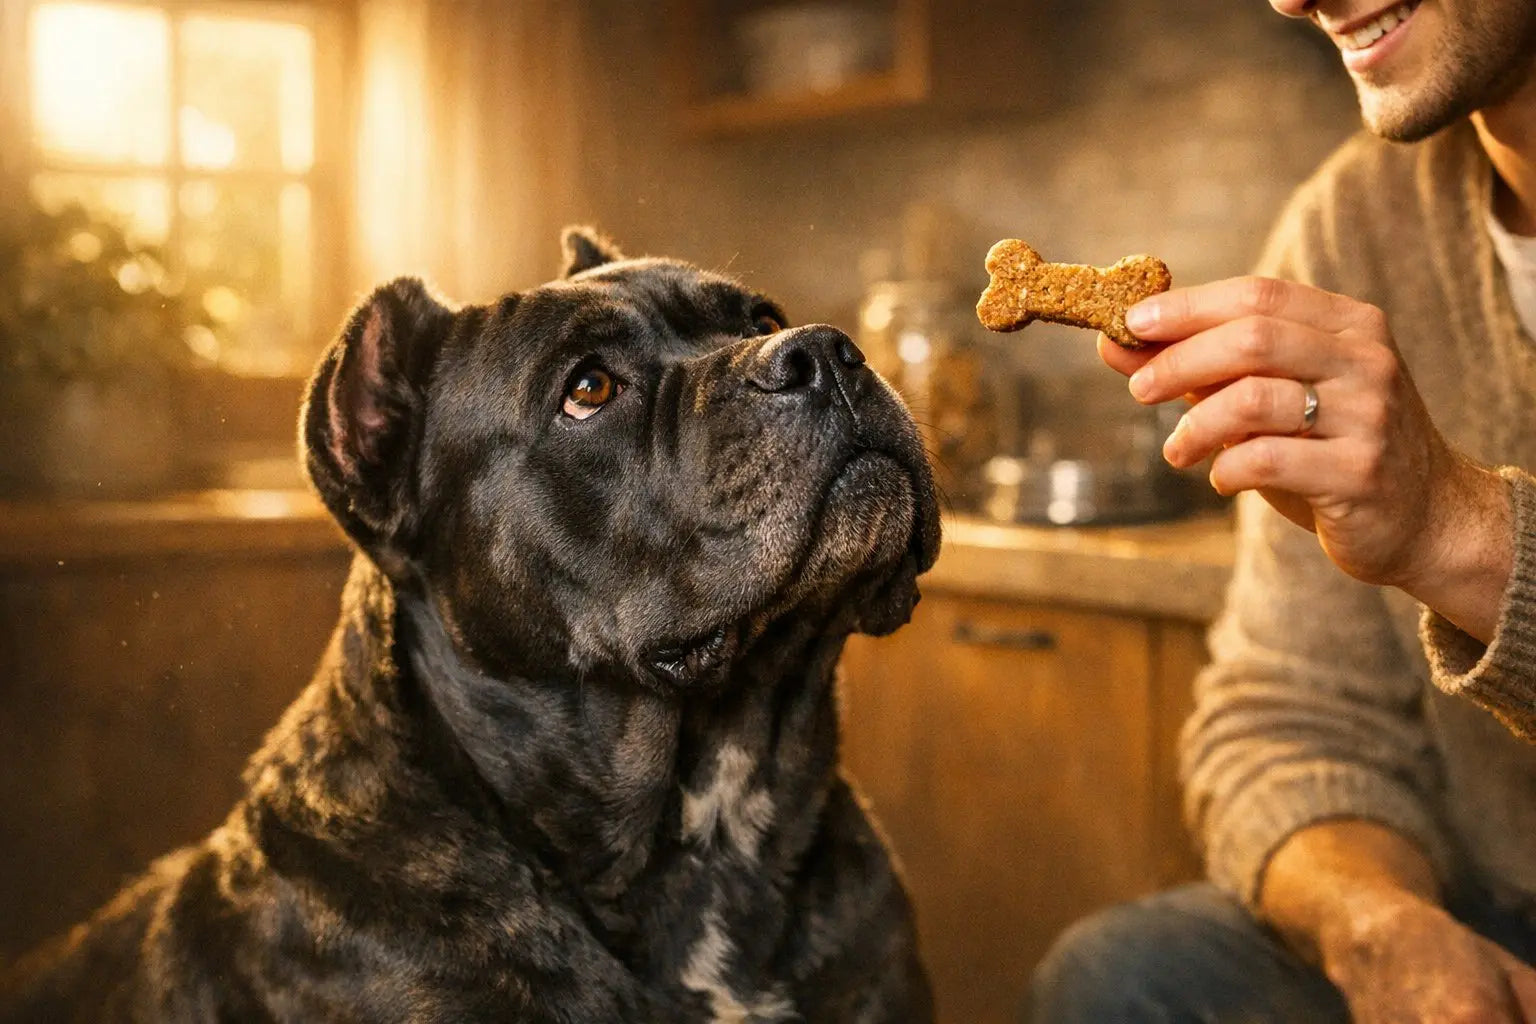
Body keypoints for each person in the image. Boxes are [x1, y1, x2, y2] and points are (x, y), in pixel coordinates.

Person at [1030, 0, 1536, 1021]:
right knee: (1127, 975)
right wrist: (1383, 933)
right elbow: (1286, 720)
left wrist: (1451, 525)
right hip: (1496, 906)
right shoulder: (1347, 227)